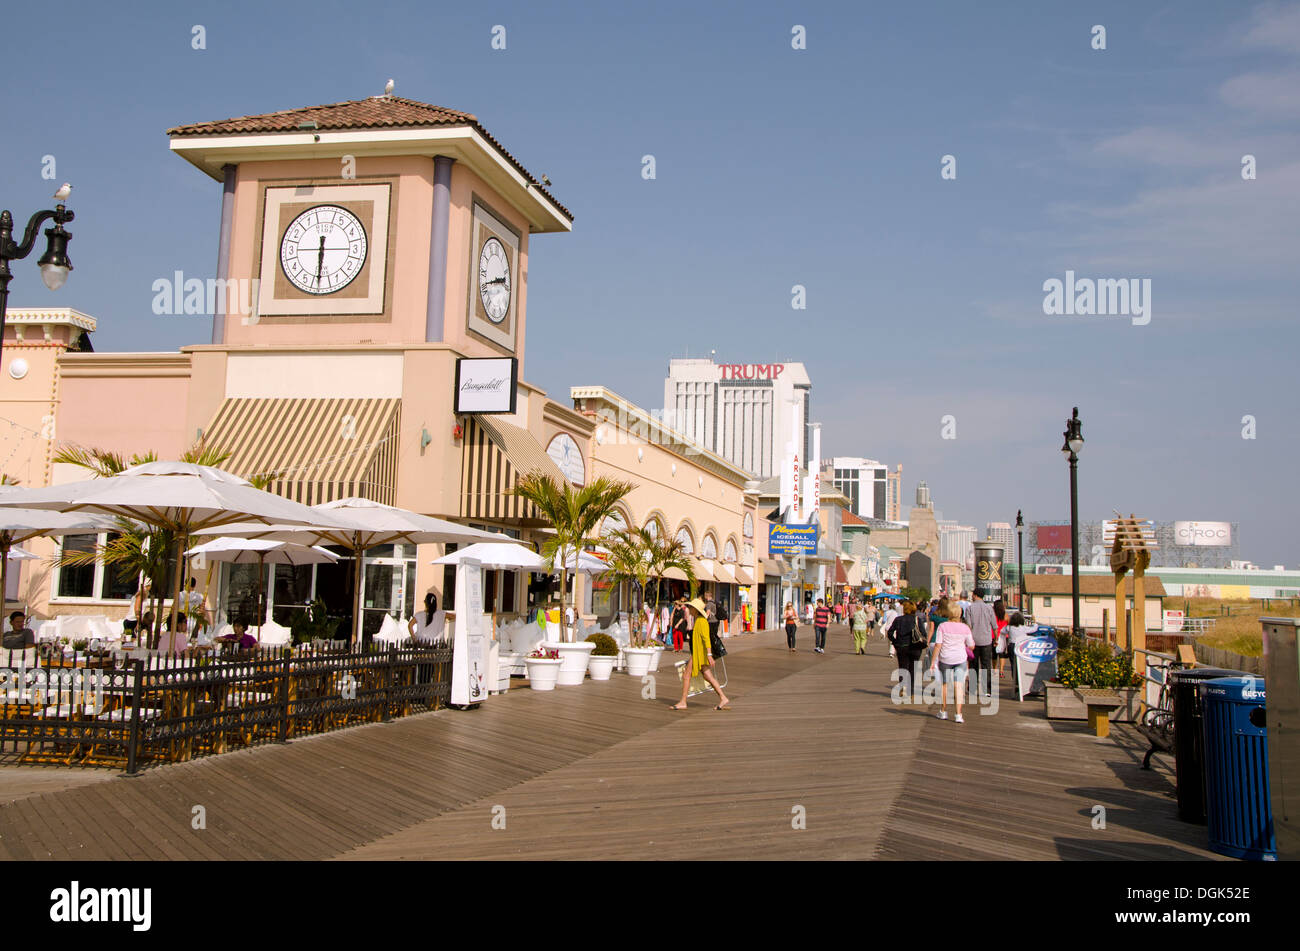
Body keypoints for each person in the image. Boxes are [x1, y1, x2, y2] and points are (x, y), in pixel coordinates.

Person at [671, 597, 731, 710]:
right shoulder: (698, 620)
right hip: (698, 653)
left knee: (686, 675)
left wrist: (709, 655)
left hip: (700, 654)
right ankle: (723, 697)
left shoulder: (702, 621)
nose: (689, 609)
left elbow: (706, 639)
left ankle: (683, 702)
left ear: (695, 609)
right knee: (708, 676)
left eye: (691, 607)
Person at [930, 600, 975, 722]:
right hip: (960, 658)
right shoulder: (965, 628)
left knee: (944, 685)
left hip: (945, 658)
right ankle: (958, 715)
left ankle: (943, 711)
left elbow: (938, 645)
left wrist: (933, 662)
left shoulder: (943, 626)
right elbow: (971, 646)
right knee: (959, 685)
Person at [886, 601, 926, 698]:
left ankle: (903, 688)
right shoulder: (917, 619)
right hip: (915, 647)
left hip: (902, 646)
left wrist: (895, 642)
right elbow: (924, 634)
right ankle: (911, 691)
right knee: (913, 669)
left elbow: (890, 632)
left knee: (903, 667)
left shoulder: (898, 619)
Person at [965, 590, 996, 700]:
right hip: (987, 640)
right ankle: (987, 690)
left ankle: (973, 688)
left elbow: (968, 625)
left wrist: (967, 640)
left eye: (973, 594)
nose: (972, 596)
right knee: (986, 665)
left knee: (973, 664)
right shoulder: (989, 608)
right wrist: (995, 639)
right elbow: (994, 626)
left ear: (976, 595)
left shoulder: (970, 608)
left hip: (973, 641)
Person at [993, 598, 1009, 678]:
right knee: (1002, 654)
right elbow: (1009, 624)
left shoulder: (993, 614)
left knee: (994, 654)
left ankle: (995, 670)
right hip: (1003, 636)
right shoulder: (1005, 615)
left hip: (994, 635)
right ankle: (1001, 671)